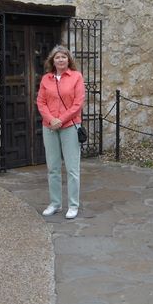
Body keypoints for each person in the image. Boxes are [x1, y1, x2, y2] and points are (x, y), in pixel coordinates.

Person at [36, 45, 85, 219]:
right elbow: (41, 102)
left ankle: (73, 205)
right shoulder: (46, 79)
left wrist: (60, 120)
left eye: (64, 56)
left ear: (68, 59)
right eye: (57, 57)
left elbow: (78, 104)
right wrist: (51, 120)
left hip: (70, 126)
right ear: (52, 60)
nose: (61, 60)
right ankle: (55, 204)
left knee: (72, 169)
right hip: (49, 127)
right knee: (53, 168)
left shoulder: (76, 77)